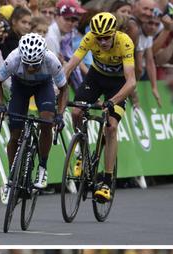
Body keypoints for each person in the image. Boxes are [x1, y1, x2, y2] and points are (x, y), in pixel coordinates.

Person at [63, 12, 136, 202]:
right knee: (76, 111)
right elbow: (71, 64)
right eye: (99, 38)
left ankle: (107, 180)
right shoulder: (90, 38)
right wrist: (56, 86)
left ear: (114, 33)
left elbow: (131, 82)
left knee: (111, 127)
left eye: (106, 37)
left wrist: (113, 101)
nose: (102, 42)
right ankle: (81, 152)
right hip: (95, 78)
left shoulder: (125, 42)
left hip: (118, 84)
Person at [0, 32, 69, 195]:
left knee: (46, 122)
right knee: (15, 134)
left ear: (42, 57)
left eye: (35, 64)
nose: (31, 68)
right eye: (27, 64)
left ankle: (42, 166)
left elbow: (64, 88)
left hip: (43, 86)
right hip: (20, 87)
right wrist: (0, 105)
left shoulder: (51, 60)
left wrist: (60, 114)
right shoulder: (13, 58)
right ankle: (12, 178)